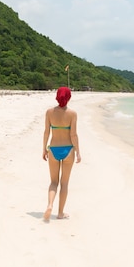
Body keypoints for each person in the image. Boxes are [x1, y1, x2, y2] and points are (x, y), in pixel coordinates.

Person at [42, 87, 81, 221]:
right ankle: (60, 213)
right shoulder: (72, 114)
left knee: (53, 182)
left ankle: (50, 204)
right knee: (64, 183)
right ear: (69, 97)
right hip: (68, 150)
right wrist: (78, 152)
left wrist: (44, 149)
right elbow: (74, 135)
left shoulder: (49, 112)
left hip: (53, 149)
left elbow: (46, 132)